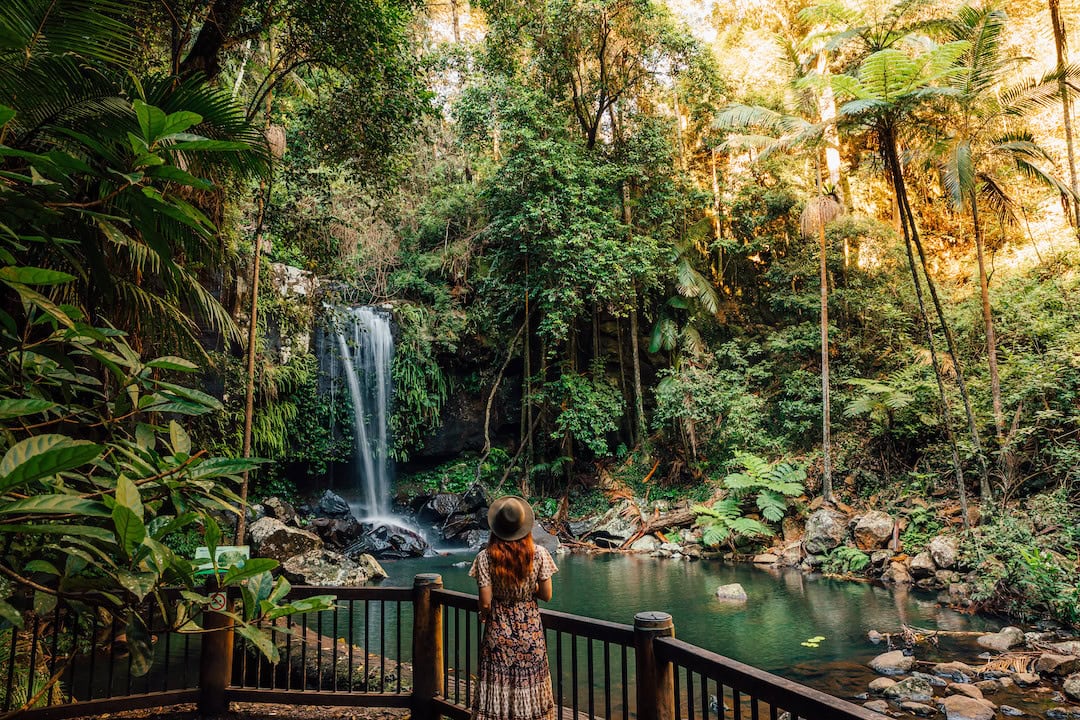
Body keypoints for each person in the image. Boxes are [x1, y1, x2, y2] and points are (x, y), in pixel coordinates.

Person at [469, 495, 558, 720]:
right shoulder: (539, 554)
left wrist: (484, 612)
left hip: (497, 632)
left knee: (497, 685)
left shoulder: (484, 557)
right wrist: (526, 590)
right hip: (531, 633)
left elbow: (486, 601)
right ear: (524, 527)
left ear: (496, 528)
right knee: (530, 684)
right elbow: (547, 595)